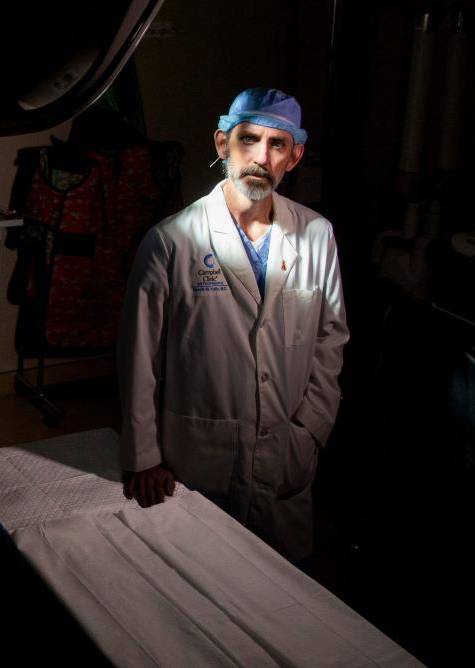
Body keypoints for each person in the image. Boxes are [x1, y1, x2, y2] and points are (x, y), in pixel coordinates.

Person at [117, 87, 348, 563]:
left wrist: (311, 431)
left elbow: (330, 340)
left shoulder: (317, 235)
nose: (261, 157)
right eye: (249, 140)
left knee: (282, 594)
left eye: (277, 144)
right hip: (197, 458)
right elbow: (138, 355)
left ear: (295, 156)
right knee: (200, 582)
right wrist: (144, 455)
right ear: (223, 145)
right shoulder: (171, 242)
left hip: (287, 453)